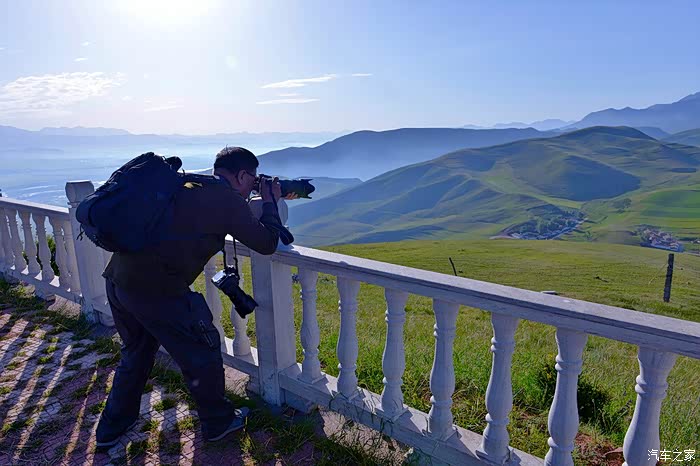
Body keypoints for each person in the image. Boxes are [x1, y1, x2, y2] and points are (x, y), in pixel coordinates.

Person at [95, 146, 286, 448]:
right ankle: (218, 422)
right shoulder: (226, 199)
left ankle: (110, 428)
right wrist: (271, 202)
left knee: (137, 353)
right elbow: (266, 243)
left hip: (119, 281)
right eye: (253, 179)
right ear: (241, 176)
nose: (253, 186)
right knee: (202, 351)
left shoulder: (188, 183)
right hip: (157, 290)